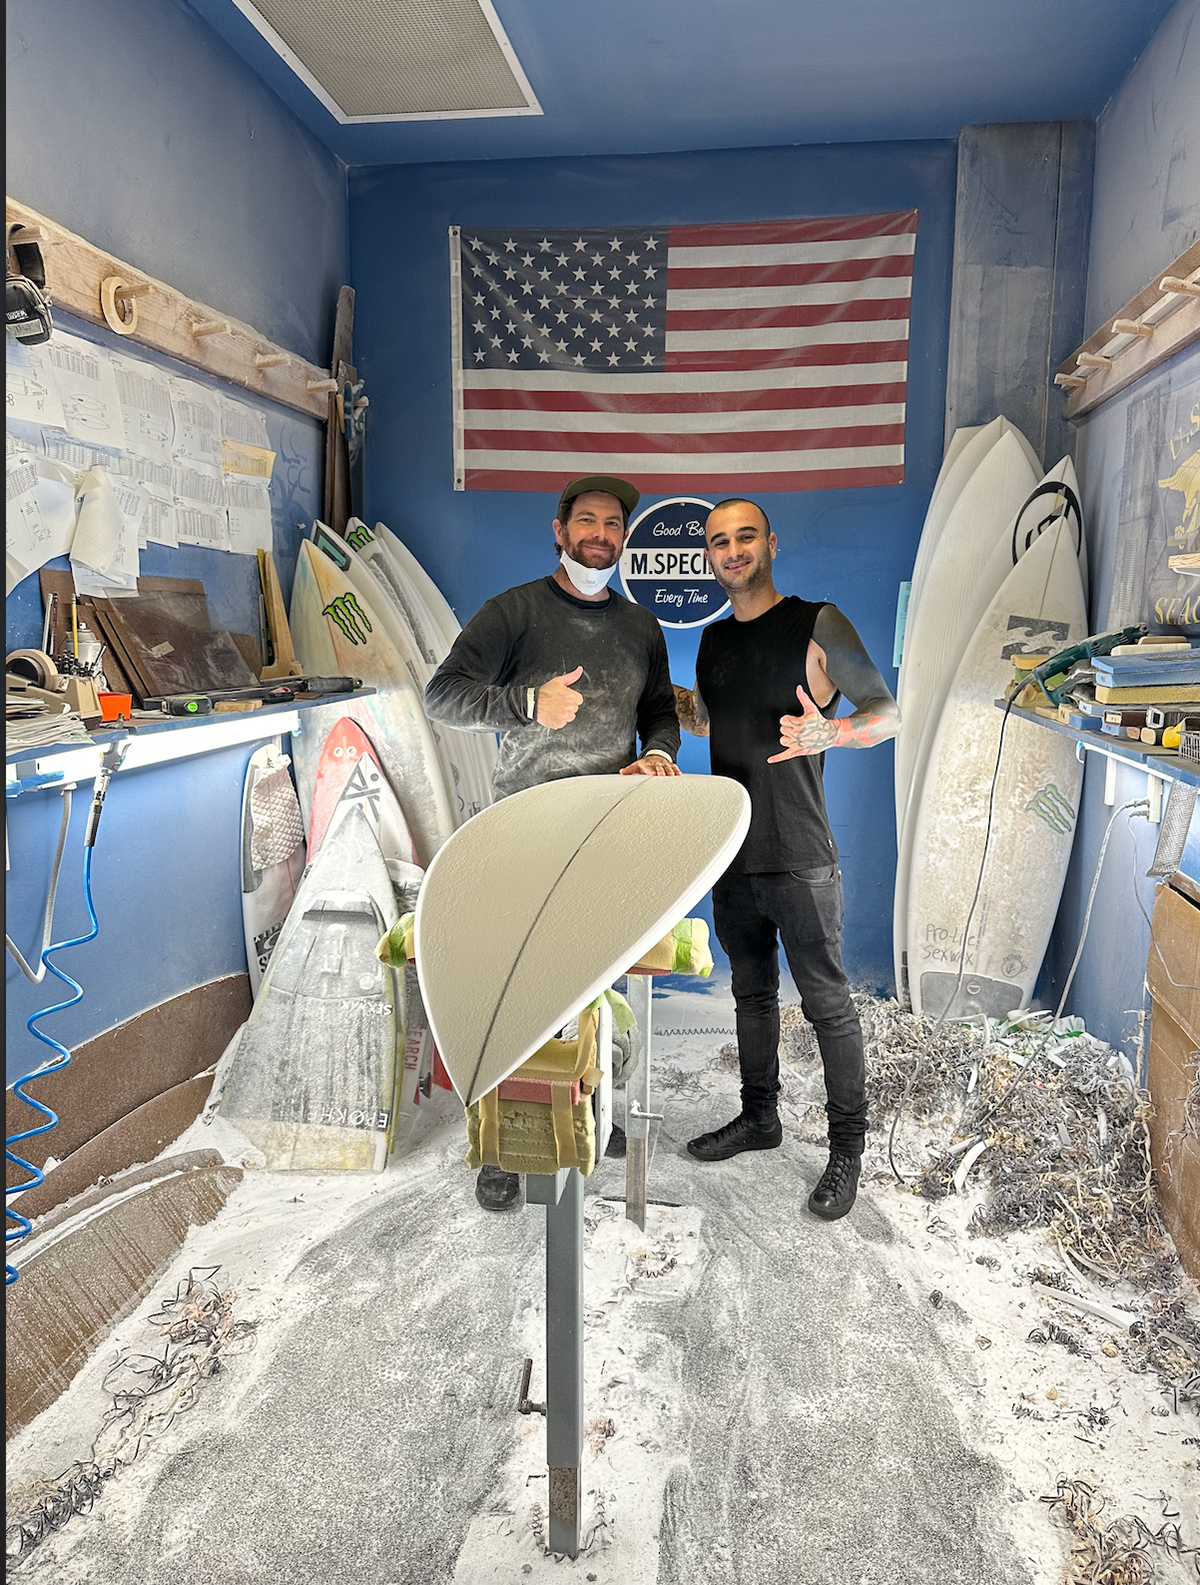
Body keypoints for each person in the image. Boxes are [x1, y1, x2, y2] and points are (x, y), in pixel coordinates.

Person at [424, 473, 682, 1210]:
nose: (601, 534)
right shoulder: (514, 612)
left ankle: (591, 1109)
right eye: (587, 521)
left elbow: (660, 712)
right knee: (518, 988)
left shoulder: (641, 628)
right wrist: (526, 702)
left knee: (592, 982)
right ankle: (504, 1145)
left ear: (623, 538)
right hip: (527, 829)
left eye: (613, 524)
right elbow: (442, 695)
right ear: (560, 531)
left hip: (609, 826)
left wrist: (658, 753)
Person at [674, 497, 899, 1220]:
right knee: (751, 994)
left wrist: (833, 732)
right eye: (719, 541)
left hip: (800, 853)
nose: (732, 550)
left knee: (827, 1005)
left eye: (745, 537)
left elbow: (887, 712)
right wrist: (644, 690)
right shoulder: (712, 639)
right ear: (709, 556)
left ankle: (847, 1150)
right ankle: (759, 1117)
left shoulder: (818, 622)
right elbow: (707, 717)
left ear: (771, 543)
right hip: (733, 852)